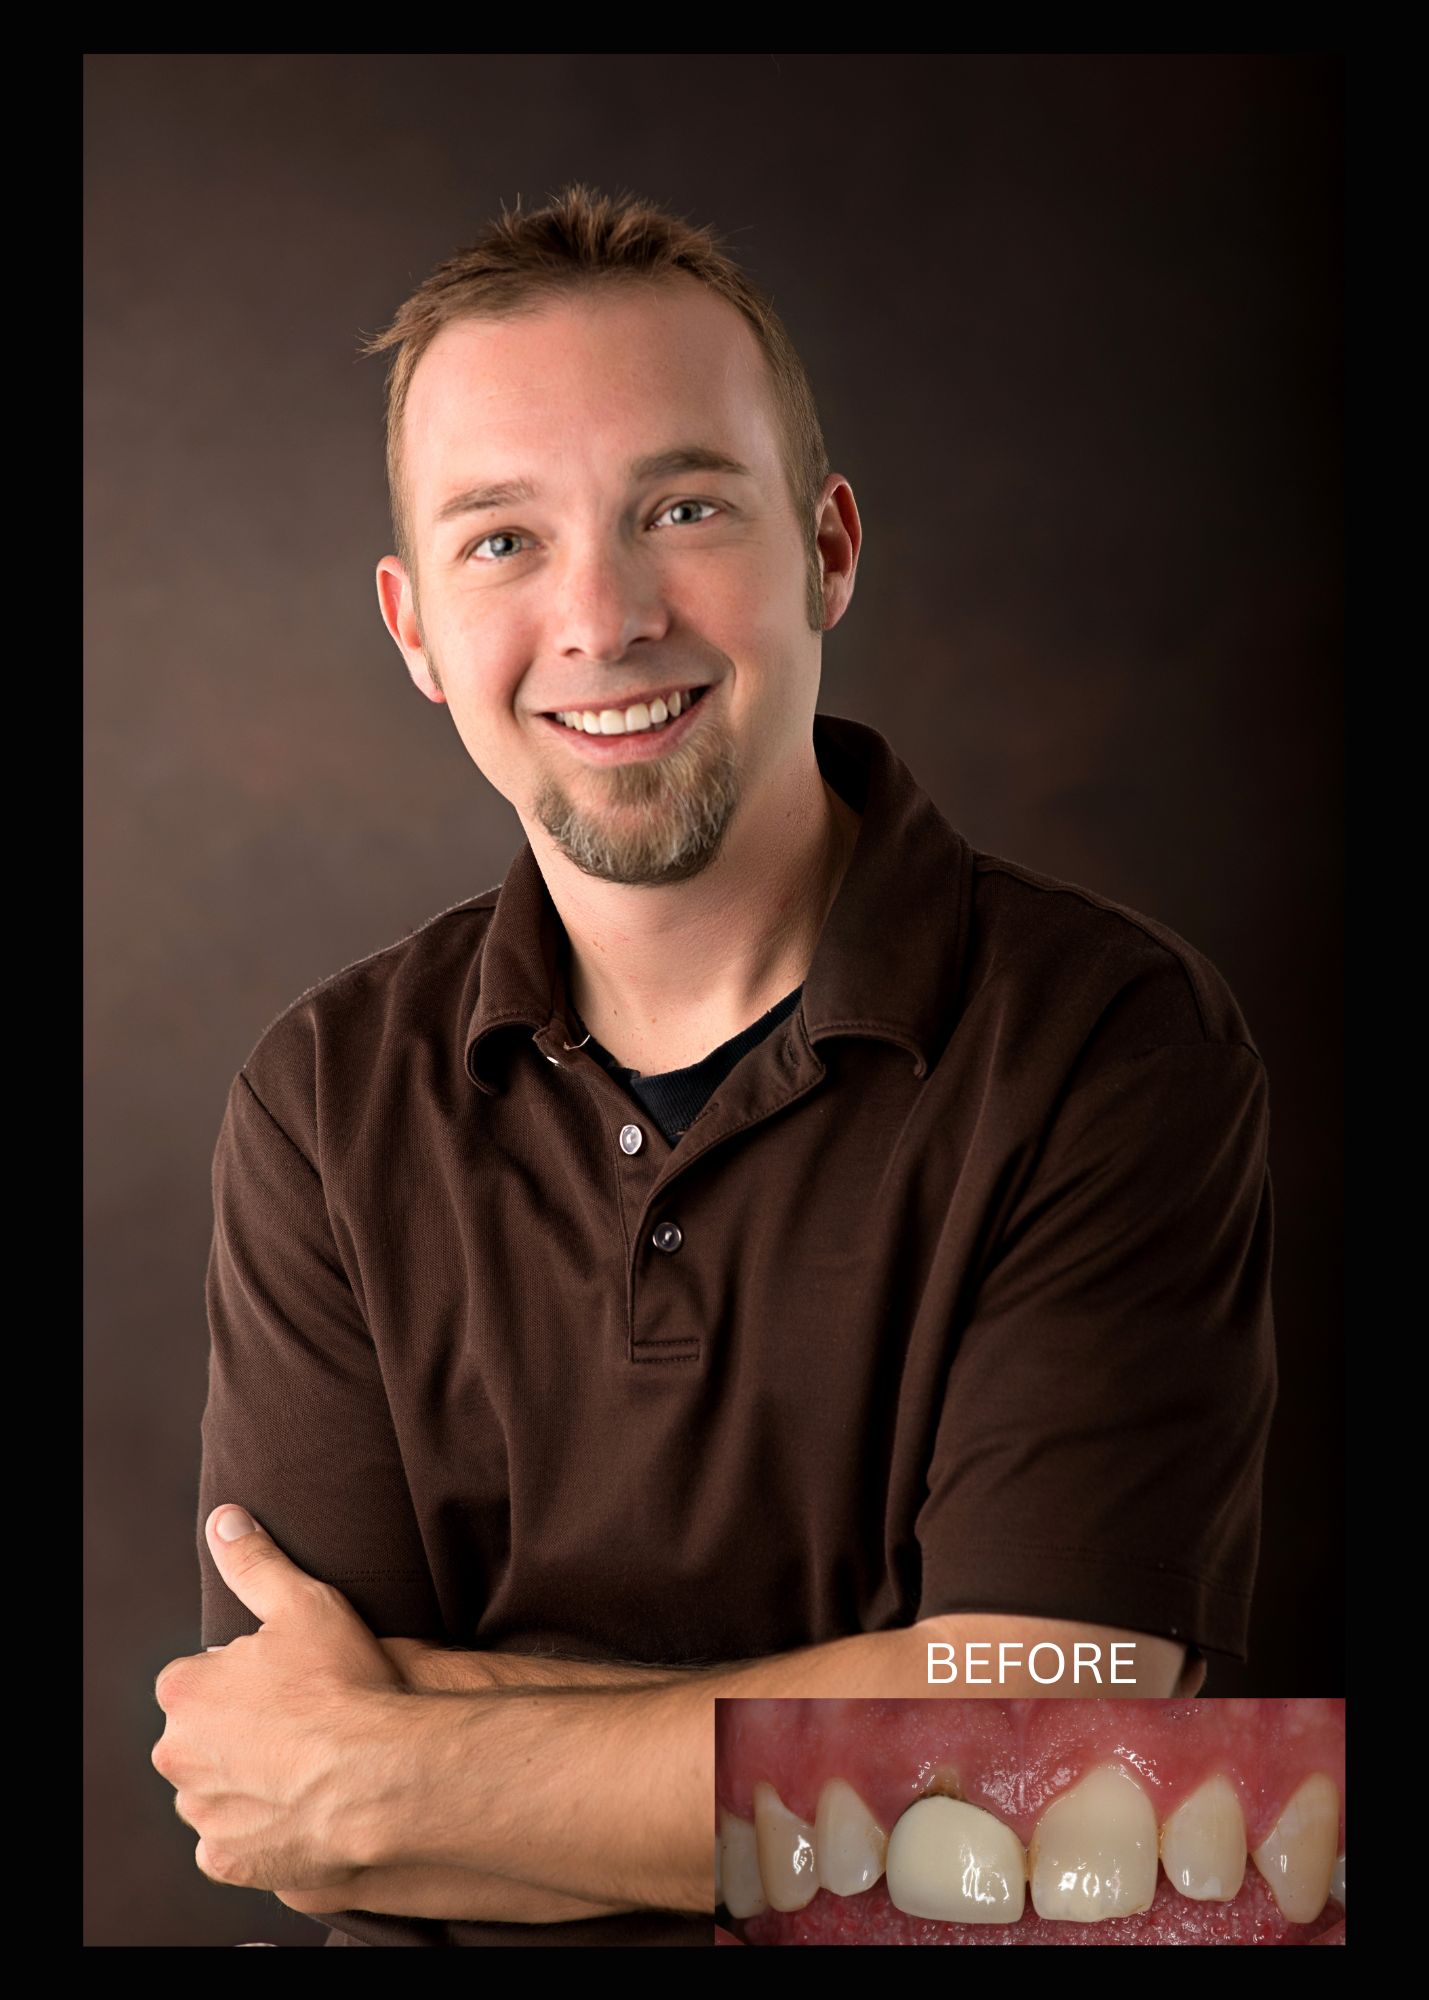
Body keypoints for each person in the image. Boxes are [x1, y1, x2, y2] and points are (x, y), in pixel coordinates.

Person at [152, 188, 1276, 1946]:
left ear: (827, 546)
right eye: (502, 541)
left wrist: (401, 1758)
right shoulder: (319, 1100)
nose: (602, 618)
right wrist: (887, 1721)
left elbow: (1066, 1786)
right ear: (414, 629)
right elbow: (286, 1811)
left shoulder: (1109, 1042)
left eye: (682, 508)